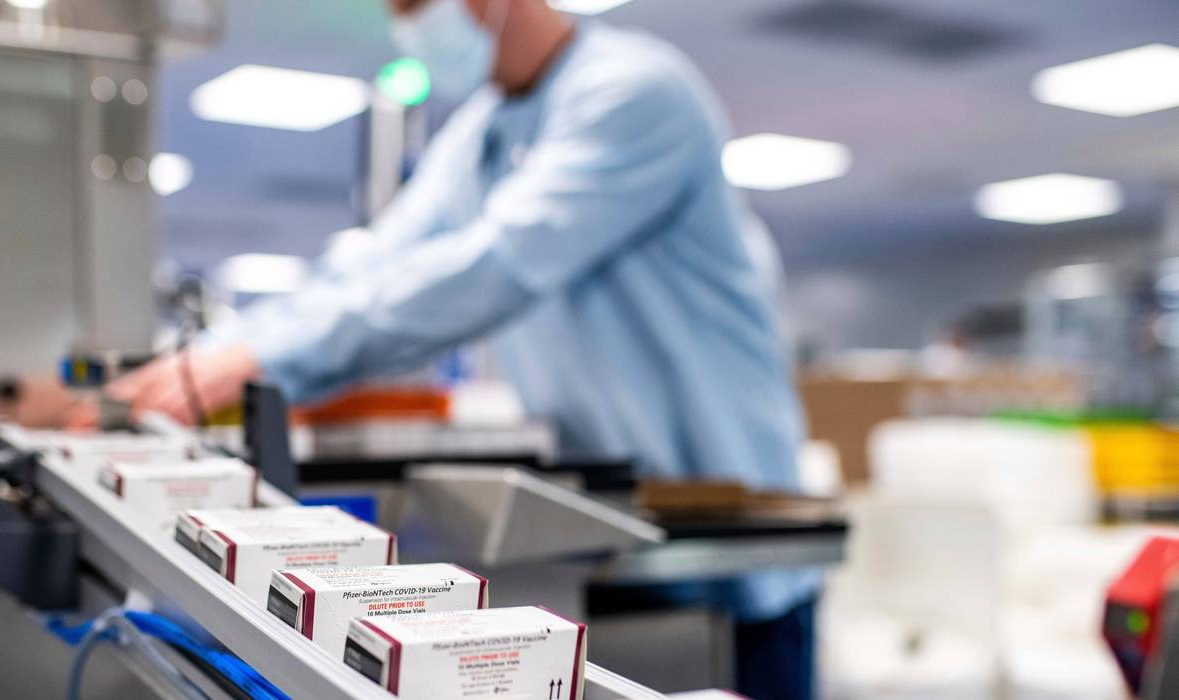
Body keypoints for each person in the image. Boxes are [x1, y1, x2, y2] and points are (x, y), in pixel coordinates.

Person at [109, 1, 819, 696]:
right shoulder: (481, 132)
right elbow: (370, 269)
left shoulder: (634, 92)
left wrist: (261, 362)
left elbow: (498, 264)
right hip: (612, 523)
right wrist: (207, 361)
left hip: (725, 517)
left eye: (416, 2)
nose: (406, 22)